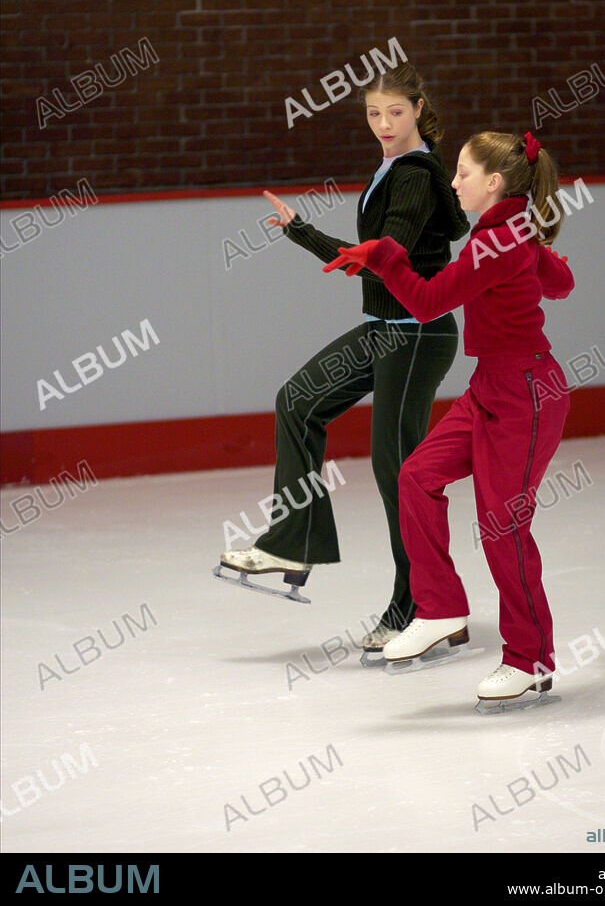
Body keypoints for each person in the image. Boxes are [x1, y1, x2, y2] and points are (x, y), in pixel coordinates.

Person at [218, 64, 470, 658]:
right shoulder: (396, 168)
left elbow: (391, 249)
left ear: (418, 108)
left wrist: (331, 241)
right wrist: (302, 231)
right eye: (373, 114)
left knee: (398, 470)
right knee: (298, 400)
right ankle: (294, 539)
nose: (383, 124)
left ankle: (422, 604)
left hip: (418, 332)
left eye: (395, 113)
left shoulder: (412, 174)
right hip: (384, 328)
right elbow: (374, 257)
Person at [324, 130, 575, 709]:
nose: (453, 181)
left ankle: (529, 660)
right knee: (417, 476)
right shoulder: (507, 234)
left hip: (525, 396)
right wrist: (544, 259)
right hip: (492, 386)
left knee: (502, 526)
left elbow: (430, 301)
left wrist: (386, 255)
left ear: (494, 183)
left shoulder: (496, 242)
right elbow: (560, 284)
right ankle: (439, 606)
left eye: (462, 173)